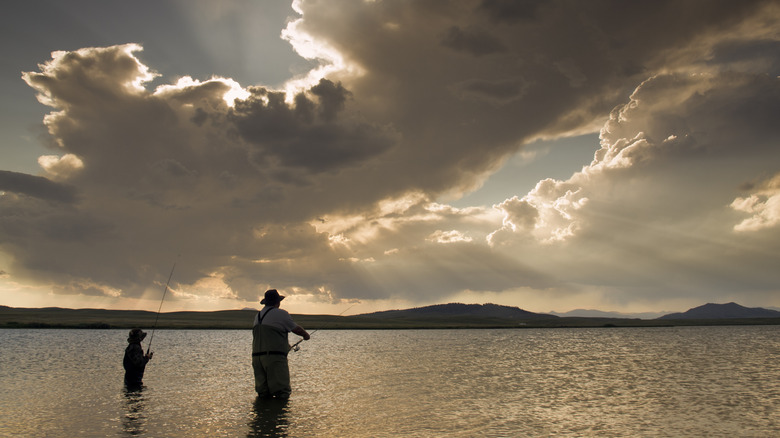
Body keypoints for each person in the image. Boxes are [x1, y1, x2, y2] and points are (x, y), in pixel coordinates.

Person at [252, 289, 310, 398]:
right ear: (277, 302)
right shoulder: (281, 313)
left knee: (263, 393)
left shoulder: (258, 316)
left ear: (265, 302)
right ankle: (280, 414)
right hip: (274, 359)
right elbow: (296, 329)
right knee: (282, 393)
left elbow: (267, 337)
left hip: (257, 360)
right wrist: (306, 335)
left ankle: (264, 413)